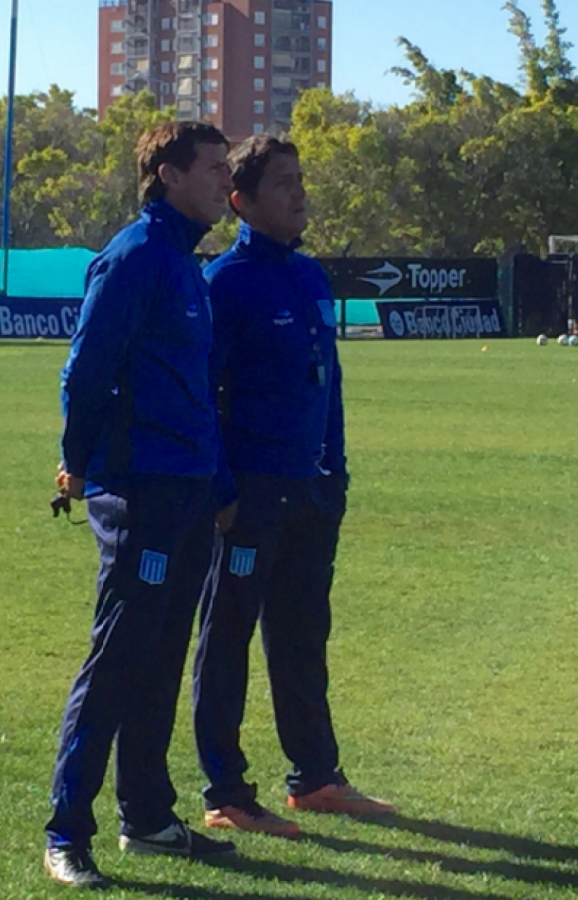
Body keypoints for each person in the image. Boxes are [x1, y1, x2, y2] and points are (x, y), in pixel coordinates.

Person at [44, 121, 235, 888]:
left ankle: (147, 817)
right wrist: (78, 464)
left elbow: (197, 394)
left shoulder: (187, 264)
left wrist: (217, 488)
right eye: (215, 168)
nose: (229, 182)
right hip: (142, 494)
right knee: (118, 659)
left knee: (158, 663)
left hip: (188, 494)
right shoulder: (134, 257)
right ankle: (66, 831)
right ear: (167, 172)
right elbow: (86, 373)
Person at [192, 134, 395, 838]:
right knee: (227, 636)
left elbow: (328, 384)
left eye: (302, 179)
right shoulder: (223, 282)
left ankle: (316, 778)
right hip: (249, 497)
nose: (301, 193)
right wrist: (223, 488)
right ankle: (225, 791)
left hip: (311, 494)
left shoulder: (309, 276)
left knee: (304, 634)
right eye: (284, 183)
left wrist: (335, 471)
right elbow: (202, 396)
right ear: (242, 202)